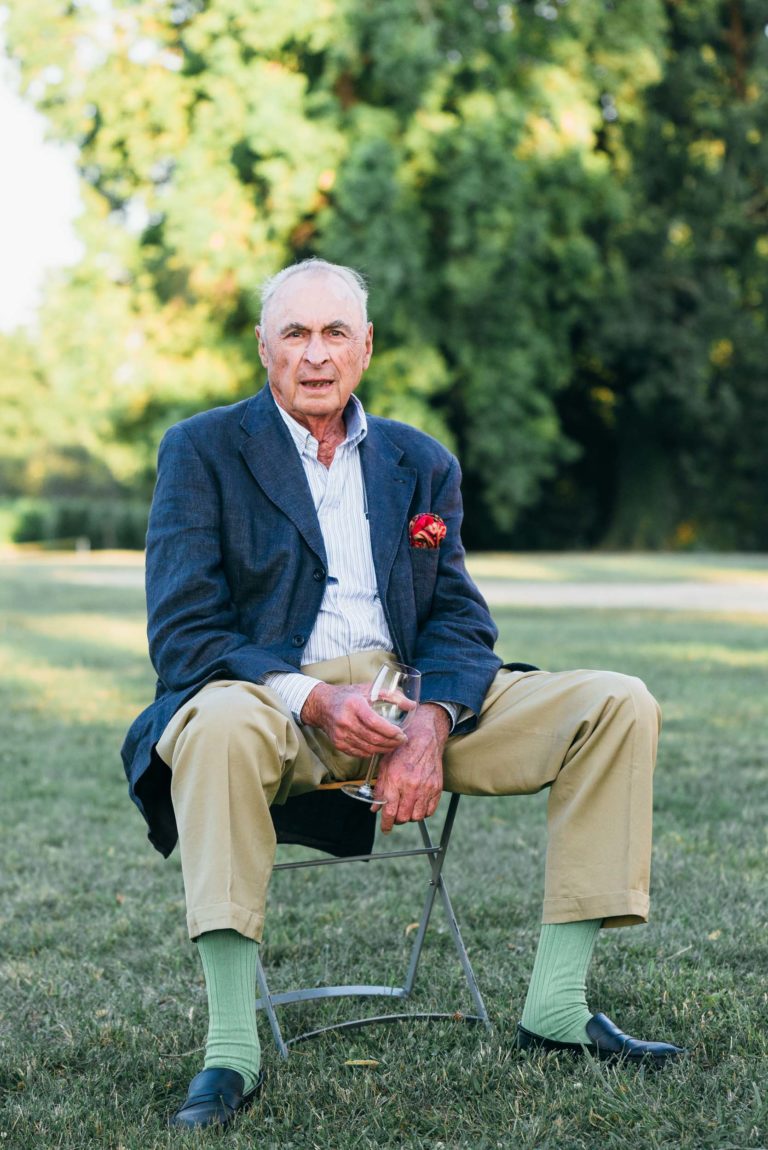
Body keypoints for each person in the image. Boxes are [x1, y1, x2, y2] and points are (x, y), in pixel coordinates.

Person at [121, 257, 685, 1132]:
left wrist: (429, 718)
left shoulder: (421, 461)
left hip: (408, 694)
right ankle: (231, 1048)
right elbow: (187, 635)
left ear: (366, 348)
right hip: (271, 703)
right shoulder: (201, 450)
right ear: (263, 347)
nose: (317, 355)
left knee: (617, 702)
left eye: (335, 332)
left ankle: (559, 1010)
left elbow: (459, 620)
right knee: (219, 720)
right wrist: (310, 698)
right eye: (297, 334)